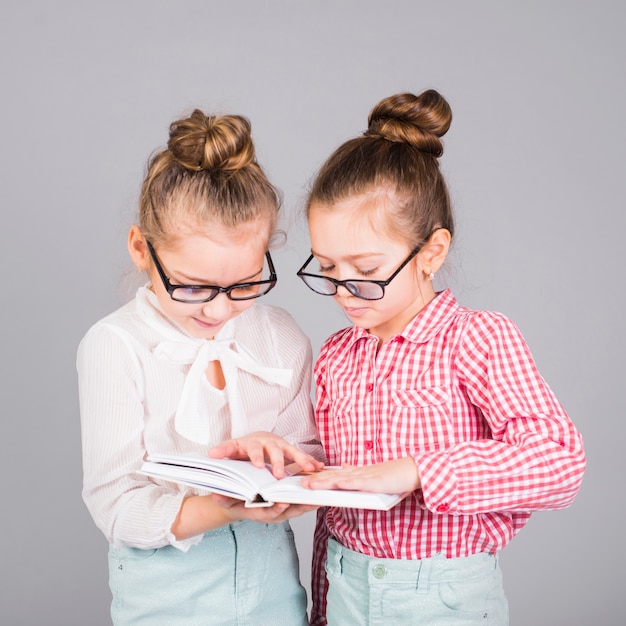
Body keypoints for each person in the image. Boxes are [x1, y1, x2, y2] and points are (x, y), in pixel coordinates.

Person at [296, 89, 586, 625]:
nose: (343, 290)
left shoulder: (477, 339)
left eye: (365, 270)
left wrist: (417, 471)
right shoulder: (336, 355)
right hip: (345, 588)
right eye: (327, 268)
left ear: (431, 252)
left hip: (441, 597)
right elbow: (337, 513)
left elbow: (559, 463)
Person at [77, 108, 323, 625]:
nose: (217, 310)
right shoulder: (116, 345)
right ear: (142, 249)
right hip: (164, 592)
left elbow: (311, 456)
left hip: (272, 583)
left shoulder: (278, 336)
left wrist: (285, 460)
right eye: (191, 287)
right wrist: (225, 504)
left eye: (244, 286)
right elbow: (116, 506)